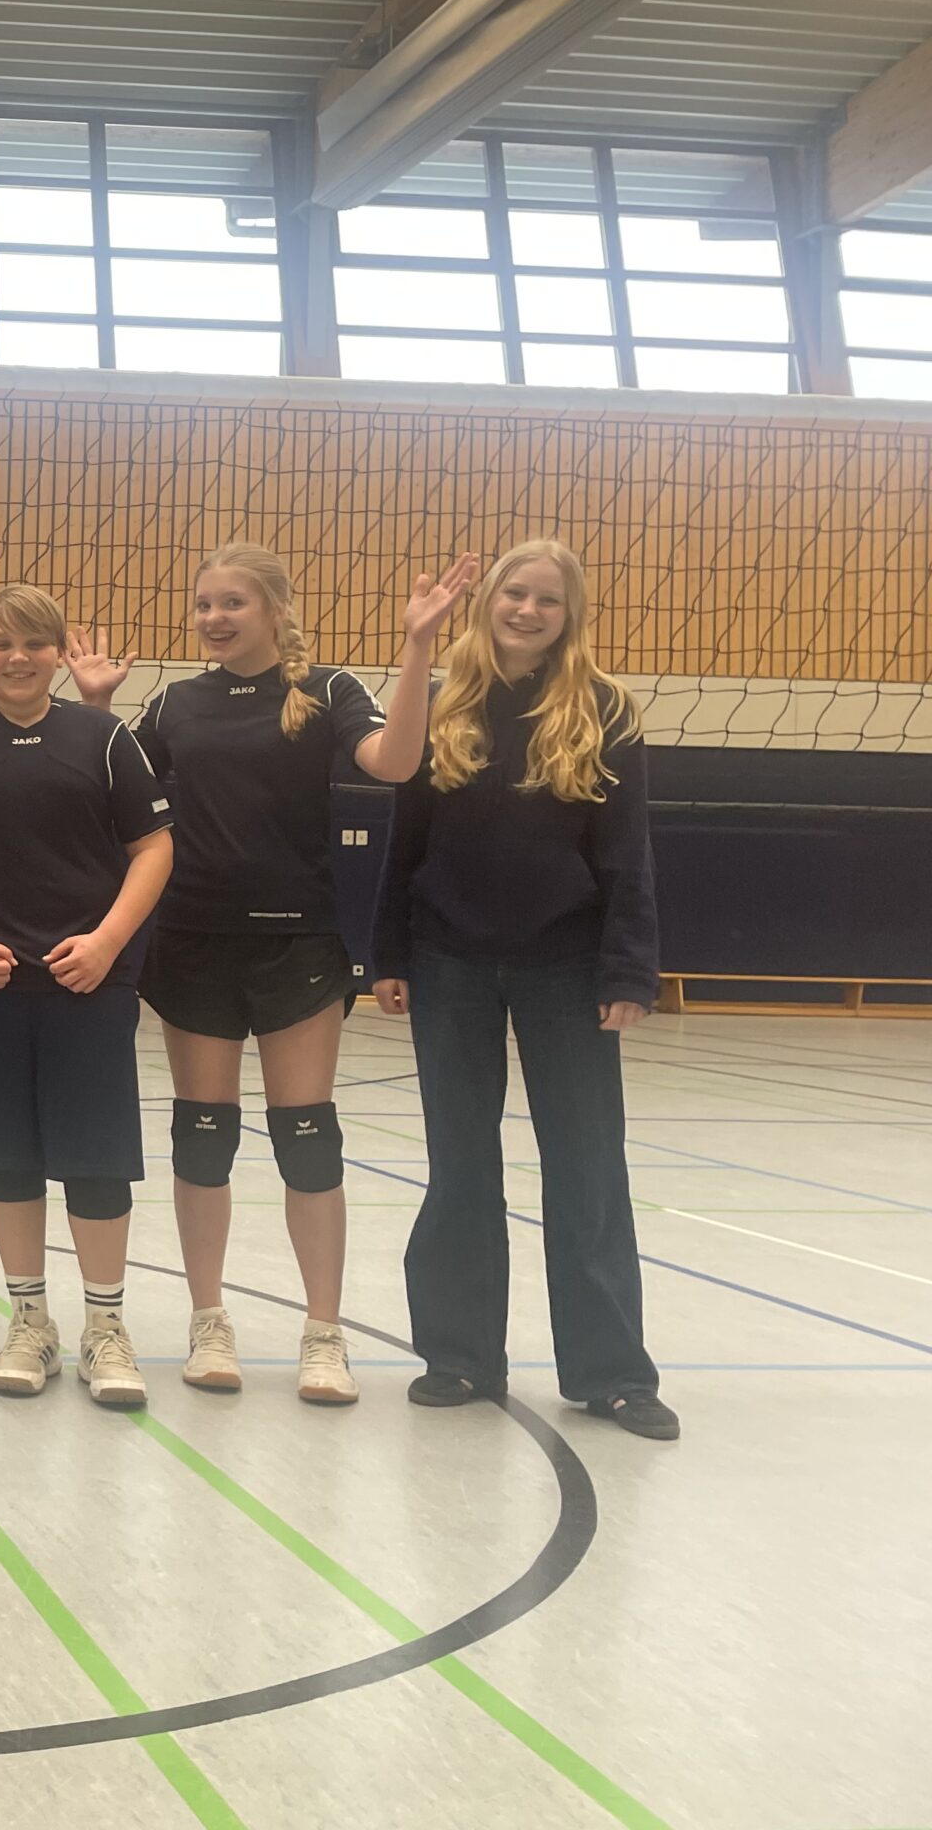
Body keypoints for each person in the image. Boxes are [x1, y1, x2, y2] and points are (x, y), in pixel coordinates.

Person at [119, 543, 478, 1405]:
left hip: (299, 944)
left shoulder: (327, 694)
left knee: (306, 1136)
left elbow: (394, 764)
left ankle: (325, 1332)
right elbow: (108, 791)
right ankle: (210, 1321)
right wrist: (95, 704)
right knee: (202, 1133)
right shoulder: (173, 703)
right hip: (195, 940)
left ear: (275, 609)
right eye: (203, 604)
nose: (213, 618)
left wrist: (419, 648)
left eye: (232, 603)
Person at [373, 540, 676, 1441]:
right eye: (516, 592)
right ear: (490, 599)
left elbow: (627, 854)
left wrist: (628, 969)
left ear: (568, 612)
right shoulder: (441, 701)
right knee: (460, 1165)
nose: (528, 609)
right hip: (449, 961)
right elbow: (406, 841)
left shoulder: (605, 710)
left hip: (567, 968)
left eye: (548, 598)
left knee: (587, 1170)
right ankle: (459, 1357)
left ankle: (612, 1373)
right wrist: (387, 952)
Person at [0, 585, 173, 1405]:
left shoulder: (105, 736)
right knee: (8, 1158)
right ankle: (30, 1323)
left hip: (89, 981)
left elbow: (154, 849)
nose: (19, 658)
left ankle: (105, 1329)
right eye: (3, 645)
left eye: (35, 644)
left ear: (59, 653)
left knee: (94, 1160)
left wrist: (108, 941)